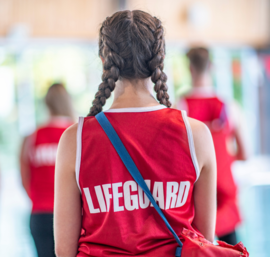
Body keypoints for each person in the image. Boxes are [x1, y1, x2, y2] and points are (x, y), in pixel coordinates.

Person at [54, 10, 217, 257]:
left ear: (103, 60)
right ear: (159, 58)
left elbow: (64, 251)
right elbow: (204, 242)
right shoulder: (197, 135)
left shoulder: (74, 140)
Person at [177, 47, 247, 245]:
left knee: (198, 246)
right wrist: (221, 159)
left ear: (190, 68)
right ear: (212, 67)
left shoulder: (181, 108)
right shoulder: (229, 106)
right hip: (224, 191)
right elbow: (245, 153)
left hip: (194, 192)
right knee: (232, 247)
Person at [20, 83, 74, 257]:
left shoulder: (32, 137)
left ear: (47, 103)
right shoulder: (76, 134)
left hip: (39, 214)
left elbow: (24, 178)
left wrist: (40, 199)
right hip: (71, 216)